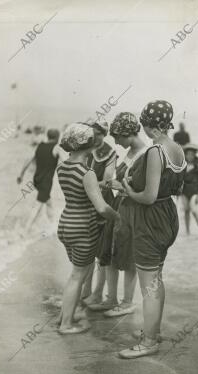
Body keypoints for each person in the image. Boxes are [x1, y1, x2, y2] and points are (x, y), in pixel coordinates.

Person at [118, 100, 186, 359]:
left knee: (148, 283)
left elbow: (147, 196)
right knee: (156, 277)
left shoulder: (155, 151)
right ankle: (153, 332)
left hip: (151, 217)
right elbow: (174, 188)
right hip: (168, 214)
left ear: (149, 125)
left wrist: (127, 189)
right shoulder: (177, 148)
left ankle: (148, 342)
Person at [56, 122, 120, 334]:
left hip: (65, 224)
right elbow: (101, 207)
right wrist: (118, 217)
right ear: (88, 145)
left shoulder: (62, 167)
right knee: (78, 275)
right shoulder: (87, 173)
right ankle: (66, 324)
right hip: (84, 227)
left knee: (77, 273)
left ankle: (65, 314)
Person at [96, 112, 146, 317]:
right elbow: (125, 182)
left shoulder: (145, 154)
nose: (115, 140)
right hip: (119, 205)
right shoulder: (131, 152)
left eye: (117, 136)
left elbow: (144, 189)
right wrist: (113, 184)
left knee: (128, 255)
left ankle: (127, 302)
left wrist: (119, 185)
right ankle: (111, 298)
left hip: (132, 209)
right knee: (110, 251)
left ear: (127, 134)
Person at [80, 119, 117, 310]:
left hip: (102, 203)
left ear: (105, 134)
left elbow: (108, 180)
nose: (95, 137)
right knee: (86, 250)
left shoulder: (110, 152)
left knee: (102, 253)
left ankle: (97, 293)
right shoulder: (84, 148)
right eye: (92, 133)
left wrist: (88, 185)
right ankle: (86, 290)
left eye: (99, 134)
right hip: (87, 203)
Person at [17, 128, 61, 237]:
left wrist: (21, 175)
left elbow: (28, 161)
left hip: (37, 180)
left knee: (48, 203)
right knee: (37, 206)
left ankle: (54, 226)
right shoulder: (56, 148)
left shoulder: (39, 146)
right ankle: (25, 231)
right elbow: (66, 161)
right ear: (57, 137)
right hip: (46, 181)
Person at [181, 144, 198, 237]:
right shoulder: (182, 167)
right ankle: (187, 231)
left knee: (194, 209)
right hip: (184, 192)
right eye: (188, 154)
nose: (189, 156)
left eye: (191, 154)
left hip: (194, 191)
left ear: (195, 155)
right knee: (186, 210)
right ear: (185, 155)